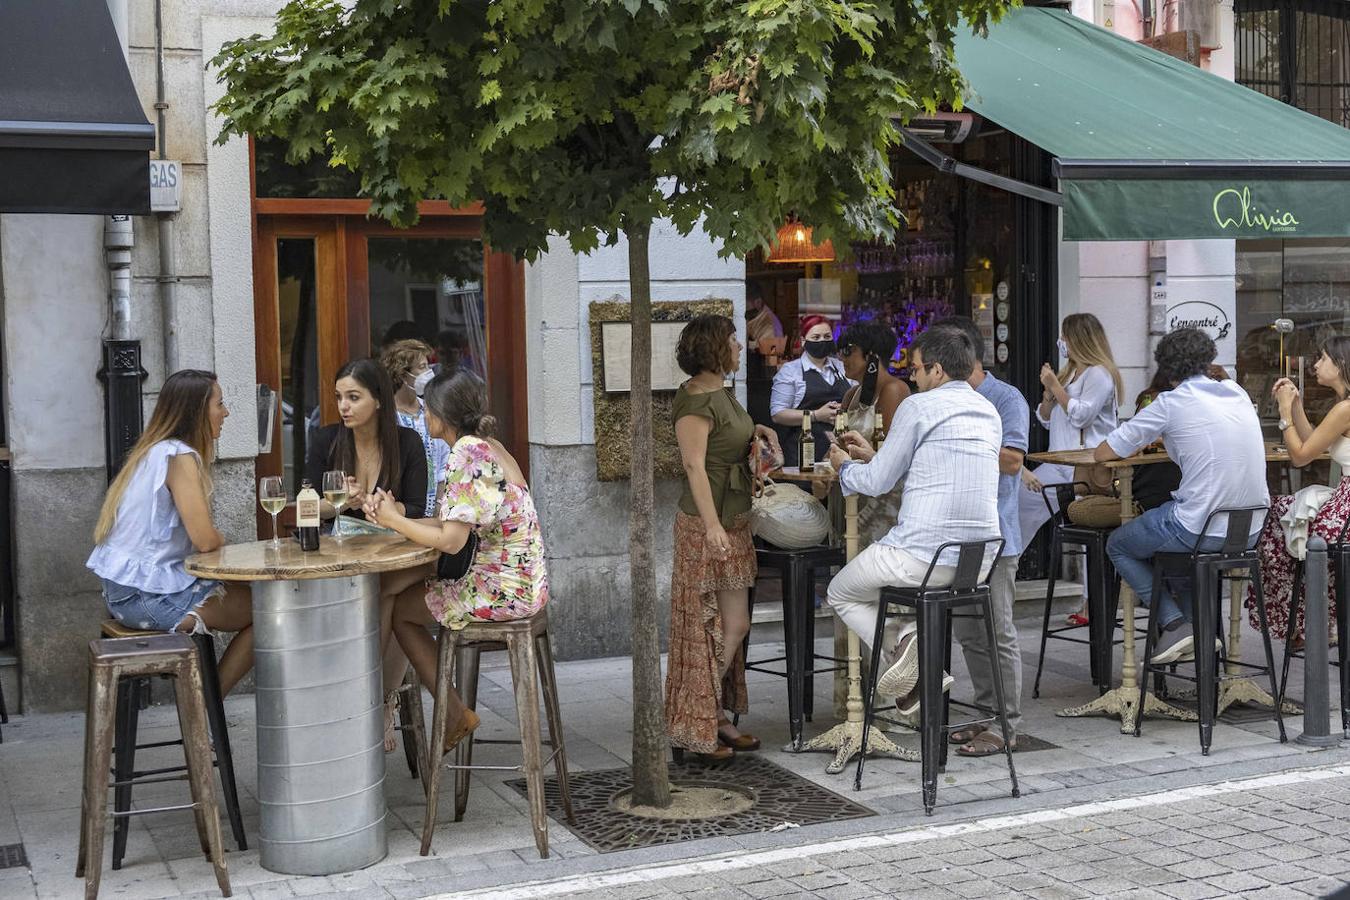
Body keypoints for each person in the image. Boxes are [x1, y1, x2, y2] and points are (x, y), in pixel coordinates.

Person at [370, 371, 548, 754]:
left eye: (426, 406)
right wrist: (398, 521)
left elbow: (451, 541)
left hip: (500, 590)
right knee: (396, 590)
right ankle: (405, 706)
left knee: (401, 610)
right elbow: (457, 521)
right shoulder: (489, 446)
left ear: (440, 413)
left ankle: (453, 713)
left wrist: (395, 520)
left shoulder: (466, 454)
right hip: (525, 583)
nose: (422, 412)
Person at [825, 327, 1001, 712]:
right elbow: (928, 471)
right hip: (977, 562)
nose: (914, 377)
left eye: (918, 369)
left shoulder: (919, 406)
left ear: (937, 371)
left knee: (839, 592)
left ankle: (905, 645)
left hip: (923, 557)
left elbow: (873, 484)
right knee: (872, 587)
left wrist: (842, 467)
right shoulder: (988, 410)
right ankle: (913, 660)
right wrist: (876, 456)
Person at [1096, 328, 1269, 665]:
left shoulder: (1170, 402)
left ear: (1168, 370)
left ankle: (1174, 623)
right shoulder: (1236, 391)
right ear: (1208, 360)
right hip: (1249, 529)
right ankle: (1199, 636)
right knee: (1181, 558)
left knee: (1118, 544)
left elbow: (1105, 452)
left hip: (1199, 528)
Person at [87, 370, 254, 695]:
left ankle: (206, 709)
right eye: (220, 404)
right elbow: (205, 540)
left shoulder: (153, 451)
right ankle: (208, 707)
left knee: (248, 596)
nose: (226, 412)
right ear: (197, 411)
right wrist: (221, 539)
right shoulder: (178, 457)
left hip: (124, 595)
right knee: (269, 612)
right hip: (146, 600)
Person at [666, 314, 781, 764]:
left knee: (736, 625)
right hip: (705, 524)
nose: (740, 347)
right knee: (704, 627)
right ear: (715, 348)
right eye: (734, 341)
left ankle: (711, 713)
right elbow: (695, 466)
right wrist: (712, 526)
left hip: (733, 519)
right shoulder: (694, 400)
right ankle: (695, 721)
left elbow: (731, 436)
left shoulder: (721, 392)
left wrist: (759, 431)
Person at [306, 357, 428, 749]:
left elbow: (417, 508)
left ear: (378, 400)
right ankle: (372, 702)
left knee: (391, 592)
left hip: (394, 554)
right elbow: (302, 506)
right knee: (388, 600)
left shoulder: (406, 442)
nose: (343, 406)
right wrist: (338, 503)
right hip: (341, 560)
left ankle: (377, 702)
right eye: (340, 397)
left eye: (354, 397)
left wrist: (388, 509)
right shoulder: (326, 441)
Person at [930, 317, 1030, 755]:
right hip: (958, 533)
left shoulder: (1005, 398)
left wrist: (956, 447)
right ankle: (988, 712)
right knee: (971, 632)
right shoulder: (940, 398)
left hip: (997, 534)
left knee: (997, 630)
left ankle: (1008, 725)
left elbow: (1012, 460)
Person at [1020, 312, 1122, 624]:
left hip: (1087, 467)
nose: (1060, 343)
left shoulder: (1100, 375)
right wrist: (1049, 397)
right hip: (1058, 461)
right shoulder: (1070, 373)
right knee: (1018, 503)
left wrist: (1056, 387)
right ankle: (1003, 572)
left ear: (1077, 339)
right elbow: (1047, 418)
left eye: (1065, 337)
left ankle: (1094, 605)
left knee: (1091, 530)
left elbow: (1082, 416)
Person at [1247, 336, 1350, 644]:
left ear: (1341, 364)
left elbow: (1300, 457)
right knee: (1286, 518)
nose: (1316, 365)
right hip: (1344, 501)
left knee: (1277, 524)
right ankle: (1314, 620)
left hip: (1346, 510)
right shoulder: (1342, 407)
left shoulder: (1345, 408)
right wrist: (1297, 407)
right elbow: (1315, 443)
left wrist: (1284, 414)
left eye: (1322, 359)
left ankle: (1307, 621)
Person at [837, 321, 912, 546]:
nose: (842, 358)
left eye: (849, 350)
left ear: (871, 356)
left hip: (880, 498)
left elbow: (888, 452)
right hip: (851, 490)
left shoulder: (894, 390)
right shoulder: (851, 394)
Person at [380, 339, 452, 522]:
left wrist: (438, 507)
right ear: (403, 374)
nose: (428, 373)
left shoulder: (433, 411)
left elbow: (444, 463)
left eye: (428, 365)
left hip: (435, 516)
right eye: (422, 367)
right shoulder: (387, 418)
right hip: (400, 514)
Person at [770, 315, 853, 467]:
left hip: (841, 450)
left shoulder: (842, 366)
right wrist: (815, 415)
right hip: (803, 451)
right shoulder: (790, 371)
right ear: (803, 341)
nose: (822, 341)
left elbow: (857, 397)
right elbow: (778, 414)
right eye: (816, 337)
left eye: (827, 337)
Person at [744, 281, 783, 348]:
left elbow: (767, 346)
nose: (744, 309)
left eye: (746, 306)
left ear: (758, 302)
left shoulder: (769, 323)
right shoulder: (757, 314)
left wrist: (745, 343)